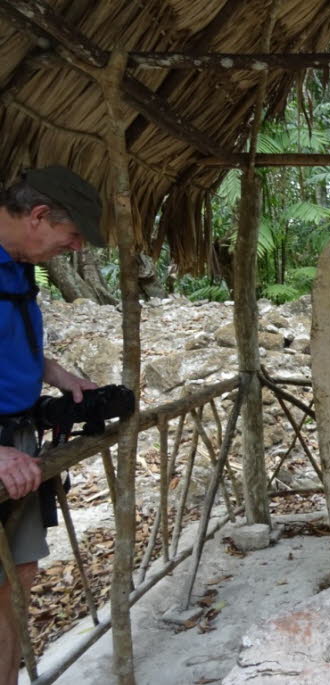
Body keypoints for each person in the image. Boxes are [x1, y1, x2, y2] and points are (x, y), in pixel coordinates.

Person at [0, 167, 104, 684]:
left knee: (16, 578)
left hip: (17, 439)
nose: (76, 246)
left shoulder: (17, 268)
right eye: (73, 235)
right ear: (39, 217)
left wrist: (52, 371)